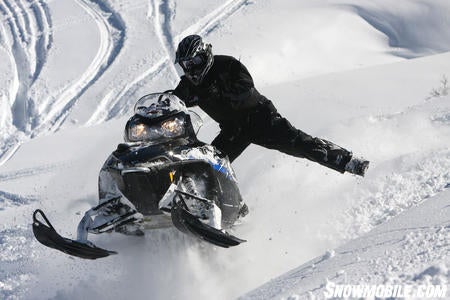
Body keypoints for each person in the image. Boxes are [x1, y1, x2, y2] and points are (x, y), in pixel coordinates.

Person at [173, 35, 369, 177]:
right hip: (233, 130)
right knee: (207, 165)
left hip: (260, 118)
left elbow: (246, 86)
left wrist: (221, 92)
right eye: (186, 64)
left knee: (298, 144)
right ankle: (225, 211)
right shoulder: (189, 84)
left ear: (205, 54)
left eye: (195, 61)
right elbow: (175, 100)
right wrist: (160, 105)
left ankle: (348, 161)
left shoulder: (227, 65)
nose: (192, 68)